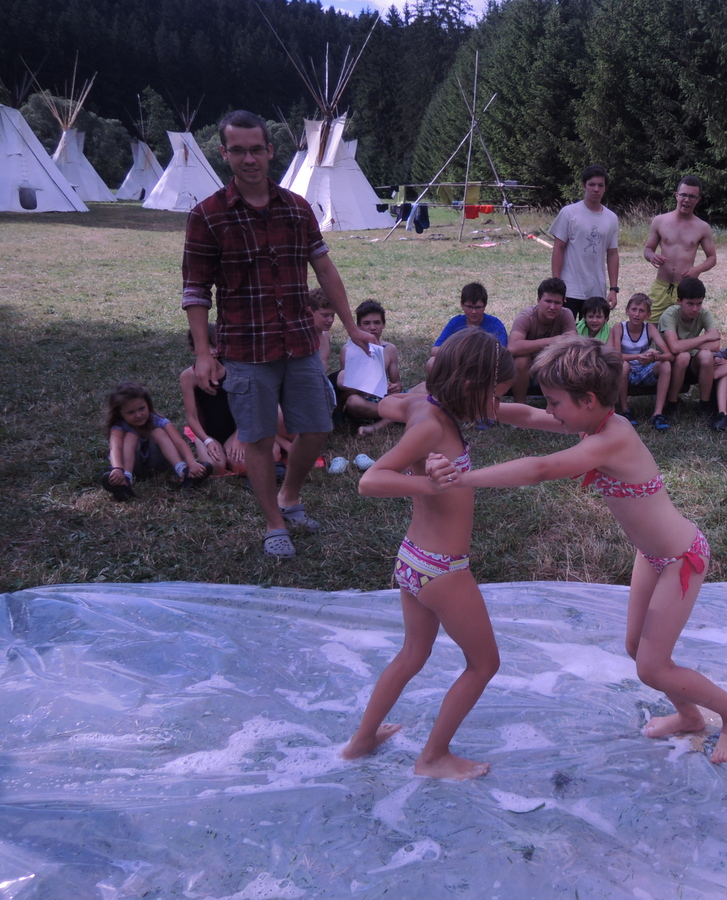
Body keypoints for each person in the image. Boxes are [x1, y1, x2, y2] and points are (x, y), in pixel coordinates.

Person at [428, 337, 727, 764]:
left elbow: (541, 468)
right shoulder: (591, 422)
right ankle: (690, 716)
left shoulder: (611, 438)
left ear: (587, 400)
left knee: (652, 667)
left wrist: (462, 478)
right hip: (652, 557)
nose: (549, 410)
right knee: (637, 649)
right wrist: (476, 406)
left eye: (555, 402)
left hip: (682, 560)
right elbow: (526, 414)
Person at [182, 109, 374, 559]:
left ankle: (290, 496)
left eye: (256, 150)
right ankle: (274, 522)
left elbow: (324, 268)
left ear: (270, 151)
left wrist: (350, 325)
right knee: (258, 439)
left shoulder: (296, 208)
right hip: (246, 349)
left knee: (318, 426)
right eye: (238, 151)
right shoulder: (207, 216)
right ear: (225, 153)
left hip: (299, 342)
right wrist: (204, 352)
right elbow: (195, 290)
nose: (249, 159)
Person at [342, 330, 515, 778]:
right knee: (484, 664)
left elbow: (387, 405)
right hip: (442, 569)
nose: (495, 407)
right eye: (494, 396)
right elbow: (370, 481)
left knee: (413, 654)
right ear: (470, 385)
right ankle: (433, 757)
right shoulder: (432, 426)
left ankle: (361, 742)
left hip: (414, 559)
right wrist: (432, 483)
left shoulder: (423, 403)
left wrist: (389, 401)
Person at [100, 381, 210, 501]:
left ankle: (184, 472)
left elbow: (179, 442)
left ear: (148, 405)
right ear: (120, 413)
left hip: (157, 464)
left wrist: (191, 462)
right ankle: (124, 481)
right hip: (131, 466)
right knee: (131, 437)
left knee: (158, 432)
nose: (138, 415)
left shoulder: (158, 421)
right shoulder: (118, 427)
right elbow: (115, 448)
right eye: (131, 412)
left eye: (141, 409)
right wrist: (117, 469)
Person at [643, 175, 717, 323]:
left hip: (685, 289)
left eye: (692, 196)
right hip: (661, 286)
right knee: (649, 326)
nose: (686, 200)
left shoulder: (702, 227)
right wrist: (652, 256)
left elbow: (712, 258)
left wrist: (697, 269)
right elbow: (648, 249)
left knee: (682, 329)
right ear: (676, 195)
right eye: (683, 195)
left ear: (698, 200)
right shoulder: (660, 221)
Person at [550, 165, 620, 318]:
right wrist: (557, 285)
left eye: (600, 185)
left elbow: (612, 254)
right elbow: (558, 248)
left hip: (596, 290)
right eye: (591, 184)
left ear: (605, 188)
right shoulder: (569, 213)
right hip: (570, 289)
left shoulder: (611, 218)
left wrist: (614, 289)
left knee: (591, 332)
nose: (596, 189)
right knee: (565, 330)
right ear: (584, 186)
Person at [180, 325, 244, 476]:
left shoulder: (233, 370)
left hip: (235, 430)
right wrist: (207, 440)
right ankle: (211, 447)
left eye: (215, 346)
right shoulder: (188, 377)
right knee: (216, 467)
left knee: (241, 466)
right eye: (205, 348)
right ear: (193, 349)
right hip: (207, 433)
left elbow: (246, 409)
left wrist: (239, 437)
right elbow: (192, 417)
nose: (211, 352)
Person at [337, 300, 402, 437]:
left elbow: (397, 384)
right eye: (366, 323)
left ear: (383, 324)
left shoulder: (389, 349)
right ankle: (398, 413)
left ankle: (391, 415)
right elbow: (344, 390)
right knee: (353, 402)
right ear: (358, 326)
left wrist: (394, 387)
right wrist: (367, 388)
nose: (372, 328)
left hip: (385, 399)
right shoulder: (348, 350)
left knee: (424, 389)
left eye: (377, 323)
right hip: (364, 401)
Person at [658, 276, 720, 418]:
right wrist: (705, 337)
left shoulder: (705, 314)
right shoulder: (670, 314)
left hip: (691, 362)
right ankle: (672, 403)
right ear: (679, 301)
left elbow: (716, 345)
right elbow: (674, 348)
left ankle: (705, 405)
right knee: (683, 356)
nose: (695, 309)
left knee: (706, 355)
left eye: (699, 303)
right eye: (690, 304)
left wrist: (684, 344)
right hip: (667, 363)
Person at [610, 292, 673, 431]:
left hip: (643, 371)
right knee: (623, 365)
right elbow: (616, 356)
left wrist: (655, 357)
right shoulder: (619, 328)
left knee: (666, 365)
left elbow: (669, 355)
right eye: (634, 309)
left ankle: (658, 413)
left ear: (648, 315)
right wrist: (638, 356)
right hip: (624, 374)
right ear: (627, 311)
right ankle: (625, 410)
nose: (637, 314)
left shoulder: (649, 328)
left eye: (641, 311)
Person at [508, 277, 575, 403]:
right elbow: (512, 347)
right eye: (548, 301)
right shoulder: (526, 316)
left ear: (564, 301)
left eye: (557, 302)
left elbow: (572, 343)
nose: (552, 307)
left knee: (571, 359)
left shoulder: (566, 314)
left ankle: (562, 405)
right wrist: (553, 340)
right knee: (520, 361)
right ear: (538, 300)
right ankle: (520, 405)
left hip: (553, 361)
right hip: (529, 363)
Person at [426, 282, 508, 375]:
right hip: (458, 365)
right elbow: (435, 350)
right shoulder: (456, 322)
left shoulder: (495, 324)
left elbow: (502, 353)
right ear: (462, 305)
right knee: (432, 362)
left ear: (485, 306)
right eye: (469, 307)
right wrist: (461, 354)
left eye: (478, 307)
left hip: (484, 367)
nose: (474, 312)